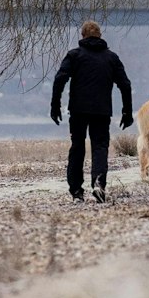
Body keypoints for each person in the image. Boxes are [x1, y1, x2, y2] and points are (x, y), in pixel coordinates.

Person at [50, 20, 134, 202]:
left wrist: (55, 105)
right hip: (102, 111)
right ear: (100, 36)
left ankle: (76, 191)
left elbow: (60, 79)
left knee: (77, 146)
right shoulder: (111, 58)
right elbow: (125, 85)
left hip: (78, 110)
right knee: (100, 147)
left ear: (83, 36)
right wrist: (127, 111)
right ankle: (98, 183)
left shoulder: (74, 56)